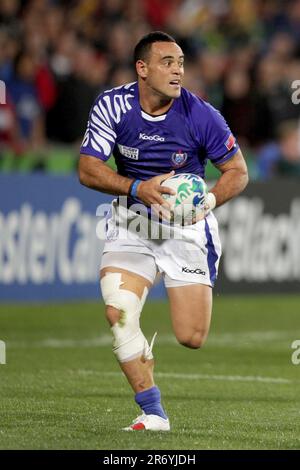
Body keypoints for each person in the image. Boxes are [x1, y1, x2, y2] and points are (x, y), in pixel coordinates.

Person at [78, 31, 248, 431]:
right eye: (168, 62)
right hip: (133, 221)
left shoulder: (201, 114)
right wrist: (138, 188)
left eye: (181, 63)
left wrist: (205, 203)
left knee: (192, 337)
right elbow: (88, 169)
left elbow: (237, 172)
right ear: (142, 68)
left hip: (185, 229)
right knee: (117, 310)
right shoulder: (112, 106)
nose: (178, 71)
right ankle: (153, 412)